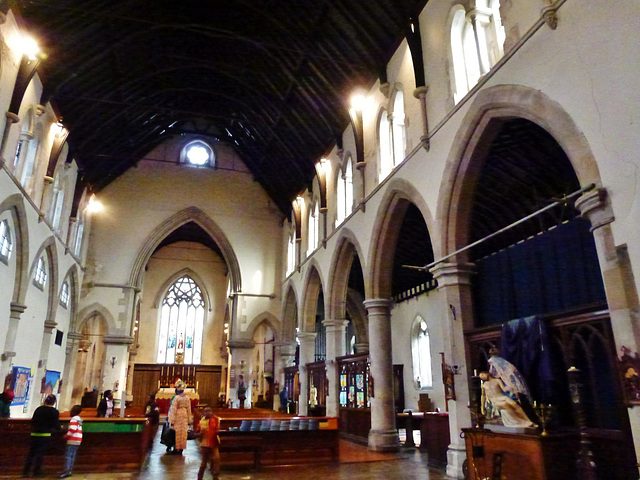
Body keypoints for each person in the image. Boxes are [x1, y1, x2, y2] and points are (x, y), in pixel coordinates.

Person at [23, 394, 60, 477]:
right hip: (45, 434)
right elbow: (56, 425)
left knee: (31, 453)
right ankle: (37, 472)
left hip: (34, 433)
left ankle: (25, 471)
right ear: (54, 402)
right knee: (40, 454)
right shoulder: (54, 412)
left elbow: (33, 421)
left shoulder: (39, 409)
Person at [196, 407, 220, 480]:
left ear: (212, 412)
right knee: (204, 463)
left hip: (214, 442)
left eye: (209, 411)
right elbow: (198, 431)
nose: (208, 413)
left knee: (216, 460)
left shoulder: (216, 419)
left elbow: (217, 430)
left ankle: (215, 476)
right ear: (203, 413)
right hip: (204, 444)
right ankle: (200, 477)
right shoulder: (201, 422)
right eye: (206, 411)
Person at [168, 380, 192, 455]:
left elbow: (174, 409)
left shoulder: (176, 398)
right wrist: (189, 420)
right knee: (183, 432)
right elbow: (189, 409)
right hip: (184, 414)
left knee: (177, 432)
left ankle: (176, 448)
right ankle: (181, 449)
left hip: (178, 414)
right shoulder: (187, 398)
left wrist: (171, 420)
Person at [59, 404, 83, 478]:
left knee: (68, 456)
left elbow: (72, 429)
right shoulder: (79, 419)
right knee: (72, 456)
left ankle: (66, 471)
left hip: (73, 439)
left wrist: (66, 436)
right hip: (78, 439)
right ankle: (69, 470)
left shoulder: (74, 419)